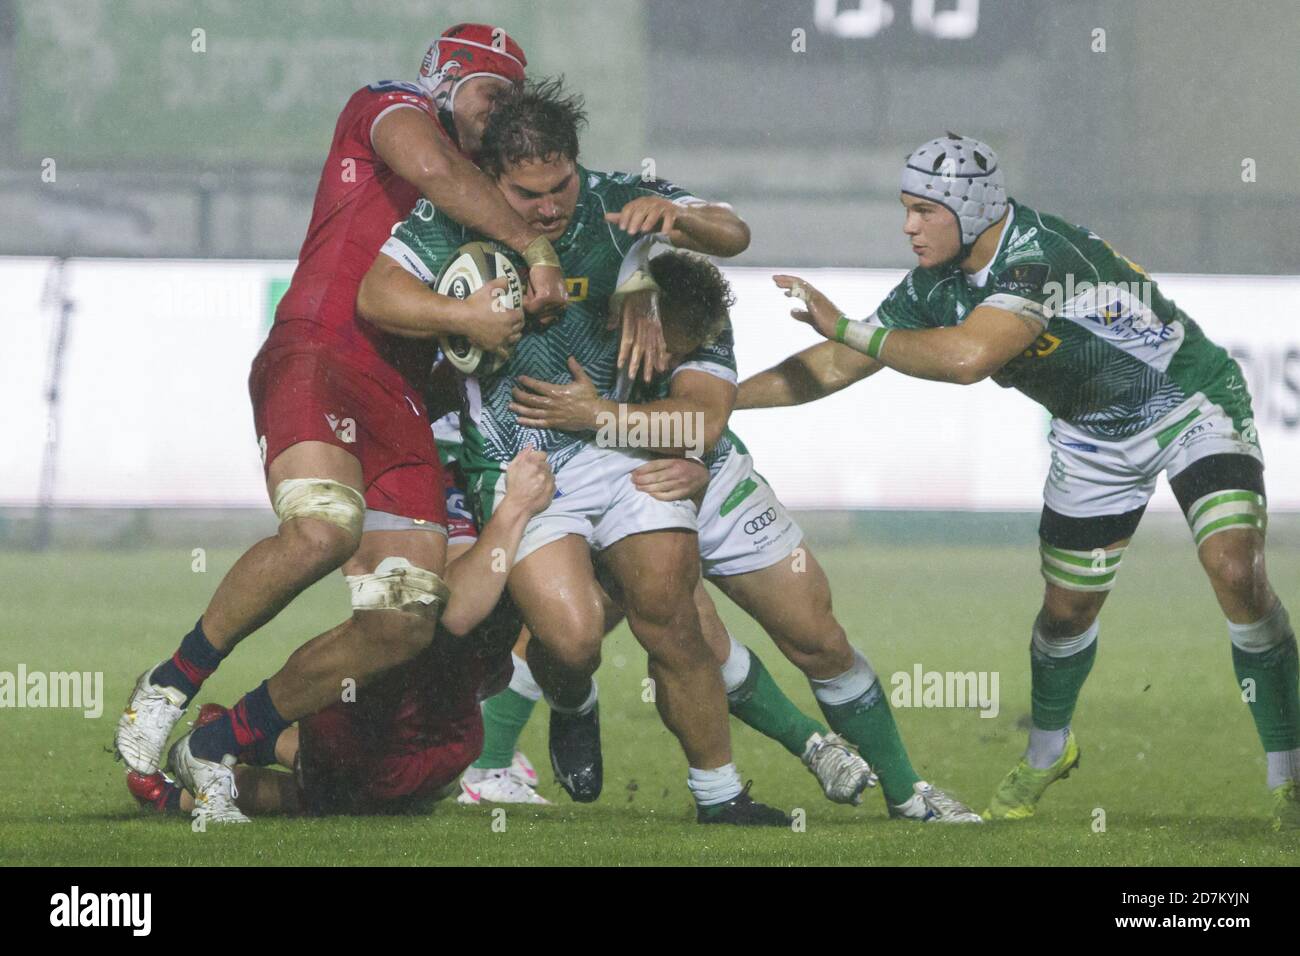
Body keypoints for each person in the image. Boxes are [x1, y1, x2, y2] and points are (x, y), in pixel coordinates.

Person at [736, 133, 1299, 830]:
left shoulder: (1037, 256)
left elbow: (970, 357)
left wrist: (850, 328)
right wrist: (725, 399)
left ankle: (1290, 776)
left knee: (1233, 569)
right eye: (905, 209)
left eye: (922, 211)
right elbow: (833, 366)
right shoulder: (934, 285)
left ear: (968, 209)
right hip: (1092, 439)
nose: (908, 226)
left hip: (1190, 401)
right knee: (1065, 616)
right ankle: (1047, 753)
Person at [115, 23, 575, 823]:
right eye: (491, 93)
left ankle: (220, 744)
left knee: (403, 622)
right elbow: (429, 169)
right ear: (446, 76)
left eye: (513, 104)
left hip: (398, 401)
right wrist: (534, 250)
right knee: (324, 526)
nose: (498, 115)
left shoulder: (484, 201)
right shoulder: (388, 107)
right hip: (321, 352)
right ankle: (169, 683)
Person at [358, 78, 789, 825]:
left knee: (669, 615)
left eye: (560, 185)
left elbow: (735, 233)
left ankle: (721, 796)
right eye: (529, 195)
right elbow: (376, 295)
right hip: (520, 465)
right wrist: (459, 314)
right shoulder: (452, 217)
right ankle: (573, 696)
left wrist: (681, 217)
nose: (551, 207)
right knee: (573, 636)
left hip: (618, 451)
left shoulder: (616, 202)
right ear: (494, 177)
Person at [499, 249, 983, 822]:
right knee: (618, 636)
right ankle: (513, 751)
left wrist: (626, 422)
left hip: (709, 475)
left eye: (685, 349)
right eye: (667, 345)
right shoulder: (566, 315)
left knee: (817, 637)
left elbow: (702, 421)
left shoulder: (703, 316)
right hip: (606, 491)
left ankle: (907, 793)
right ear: (632, 311)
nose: (673, 358)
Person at [128, 444, 557, 818]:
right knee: (368, 787)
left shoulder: (524, 468)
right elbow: (456, 610)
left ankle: (240, 738)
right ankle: (213, 755)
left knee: (415, 782)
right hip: (389, 705)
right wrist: (516, 508)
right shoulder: (444, 475)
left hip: (441, 713)